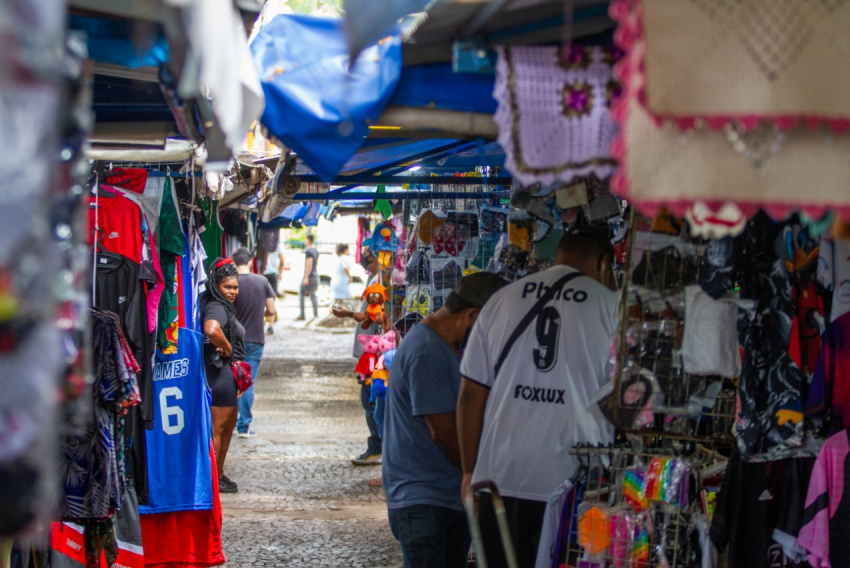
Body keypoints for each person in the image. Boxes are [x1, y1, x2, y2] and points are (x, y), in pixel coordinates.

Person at [457, 228, 619, 568]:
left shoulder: (502, 300)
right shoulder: (611, 307)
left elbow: (471, 394)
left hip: (501, 477)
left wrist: (470, 472)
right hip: (578, 482)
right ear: (604, 263)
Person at [383, 272, 508, 568]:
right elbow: (443, 431)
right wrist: (476, 474)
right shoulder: (427, 350)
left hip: (444, 495)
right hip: (424, 498)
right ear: (472, 316)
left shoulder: (450, 347)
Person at [201, 257, 247, 494]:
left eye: (235, 287)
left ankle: (218, 475)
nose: (232, 292)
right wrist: (228, 348)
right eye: (228, 287)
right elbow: (211, 329)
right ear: (216, 285)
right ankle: (212, 479)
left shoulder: (223, 305)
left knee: (227, 428)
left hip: (227, 377)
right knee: (217, 430)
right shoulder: (216, 307)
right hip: (218, 375)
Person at [332, 246, 382, 466]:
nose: (364, 260)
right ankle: (377, 447)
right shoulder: (376, 280)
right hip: (370, 351)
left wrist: (348, 313)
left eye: (368, 256)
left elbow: (372, 317)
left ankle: (378, 448)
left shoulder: (380, 283)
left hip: (375, 353)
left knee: (371, 401)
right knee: (370, 401)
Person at [232, 248, 277, 438]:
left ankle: (230, 423)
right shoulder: (262, 281)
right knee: (247, 383)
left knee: (231, 380)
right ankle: (244, 427)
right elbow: (272, 310)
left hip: (233, 340)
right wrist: (262, 313)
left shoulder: (230, 284)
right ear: (250, 262)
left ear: (233, 263)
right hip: (256, 339)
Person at [296, 234, 320, 321]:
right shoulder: (316, 251)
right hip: (315, 276)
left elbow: (309, 264)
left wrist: (306, 277)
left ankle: (302, 314)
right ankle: (315, 314)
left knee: (301, 293)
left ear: (308, 240)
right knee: (313, 295)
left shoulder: (309, 251)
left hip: (310, 276)